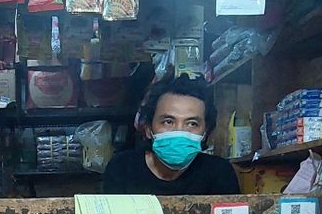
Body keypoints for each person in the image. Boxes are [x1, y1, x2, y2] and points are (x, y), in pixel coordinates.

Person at [102, 74, 241, 195]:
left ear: (205, 132)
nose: (179, 131)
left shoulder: (219, 173)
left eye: (192, 124)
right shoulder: (122, 169)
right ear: (149, 129)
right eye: (168, 122)